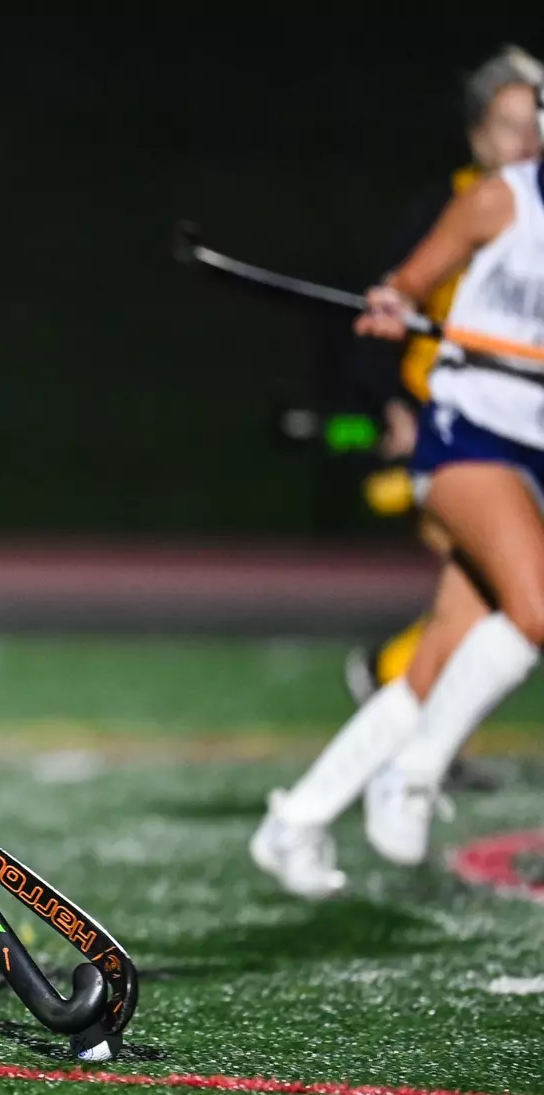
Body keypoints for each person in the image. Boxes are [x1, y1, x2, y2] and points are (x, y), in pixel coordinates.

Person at [252, 73, 544, 899]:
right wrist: (391, 310)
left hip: (531, 452)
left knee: (440, 652)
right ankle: (412, 774)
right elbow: (403, 287)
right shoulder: (498, 201)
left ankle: (297, 820)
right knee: (535, 611)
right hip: (466, 436)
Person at [344, 46, 543, 711]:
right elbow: (391, 302)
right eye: (507, 124)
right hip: (456, 430)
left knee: (479, 609)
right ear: (476, 133)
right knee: (513, 601)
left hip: (519, 434)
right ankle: (395, 698)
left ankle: (394, 721)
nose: (524, 139)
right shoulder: (465, 206)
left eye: (533, 121)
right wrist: (393, 411)